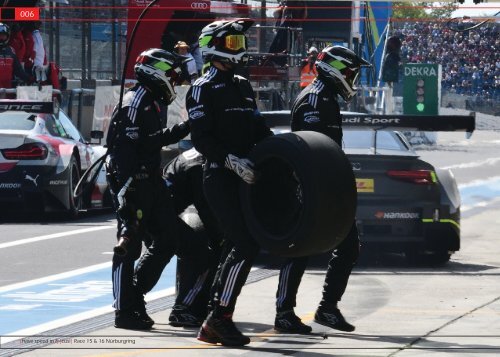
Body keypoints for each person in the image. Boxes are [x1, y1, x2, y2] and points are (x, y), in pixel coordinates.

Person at [186, 18, 274, 346]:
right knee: (245, 243)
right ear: (214, 46)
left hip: (247, 173)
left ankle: (214, 318)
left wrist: (283, 150)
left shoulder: (241, 84)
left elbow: (259, 130)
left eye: (242, 43)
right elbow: (201, 138)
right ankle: (219, 318)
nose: (242, 49)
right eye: (234, 43)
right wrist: (231, 162)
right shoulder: (202, 87)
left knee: (238, 245)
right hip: (219, 176)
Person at [274, 46, 370, 334]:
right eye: (350, 72)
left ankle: (327, 308)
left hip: (328, 186)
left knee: (349, 246)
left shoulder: (327, 97)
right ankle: (284, 312)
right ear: (336, 70)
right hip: (311, 188)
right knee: (300, 249)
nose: (353, 78)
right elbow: (309, 148)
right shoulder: (315, 100)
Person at [105, 48, 190, 330]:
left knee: (169, 239)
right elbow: (121, 154)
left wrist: (185, 128)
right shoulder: (133, 103)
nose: (175, 82)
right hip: (133, 186)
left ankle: (135, 296)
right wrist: (125, 195)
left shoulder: (152, 101)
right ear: (157, 73)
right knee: (128, 249)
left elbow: (151, 141)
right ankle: (123, 310)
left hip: (153, 183)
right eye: (172, 76)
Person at [162, 147, 224, 327]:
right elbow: (204, 206)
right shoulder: (200, 165)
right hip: (159, 217)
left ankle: (193, 304)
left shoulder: (190, 155)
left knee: (194, 247)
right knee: (202, 255)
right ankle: (183, 308)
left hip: (158, 213)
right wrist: (217, 238)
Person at [0, 22, 32, 90]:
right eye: (0, 35)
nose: (1, 38)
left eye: (3, 36)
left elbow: (18, 69)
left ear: (7, 36)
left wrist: (28, 78)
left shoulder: (11, 51)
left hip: (8, 89)